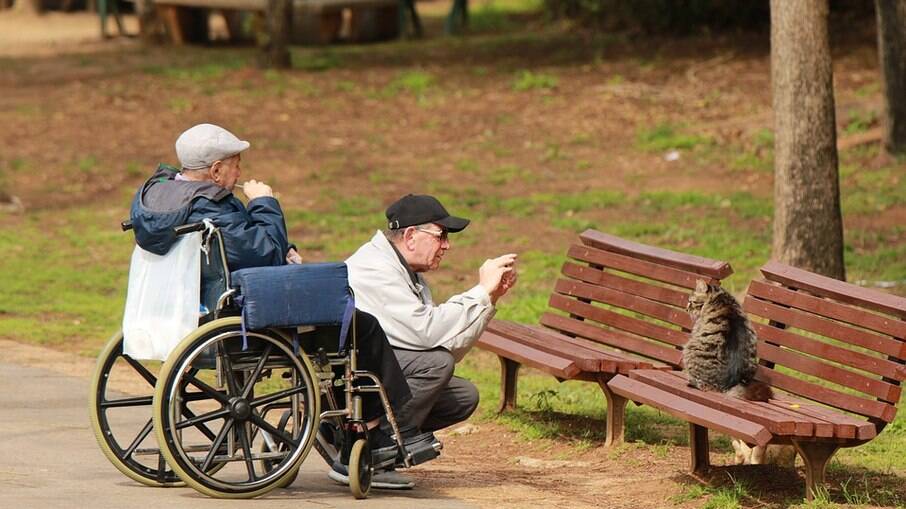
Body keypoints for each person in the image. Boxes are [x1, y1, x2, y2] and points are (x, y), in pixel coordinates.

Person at [128, 123, 424, 487]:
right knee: (360, 326)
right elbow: (262, 252)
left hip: (190, 310)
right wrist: (265, 203)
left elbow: (250, 247)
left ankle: (358, 431)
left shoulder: (161, 198)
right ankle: (384, 433)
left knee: (340, 319)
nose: (240, 173)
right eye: (236, 164)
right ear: (216, 170)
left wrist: (281, 246)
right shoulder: (210, 205)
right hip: (244, 318)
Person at [345, 194, 518, 486]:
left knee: (462, 396)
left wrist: (489, 299)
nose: (447, 245)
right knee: (435, 365)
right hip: (352, 370)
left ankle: (381, 444)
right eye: (441, 235)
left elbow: (447, 344)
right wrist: (478, 292)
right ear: (411, 236)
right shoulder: (376, 269)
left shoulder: (405, 272)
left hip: (374, 366)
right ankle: (373, 446)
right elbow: (428, 334)